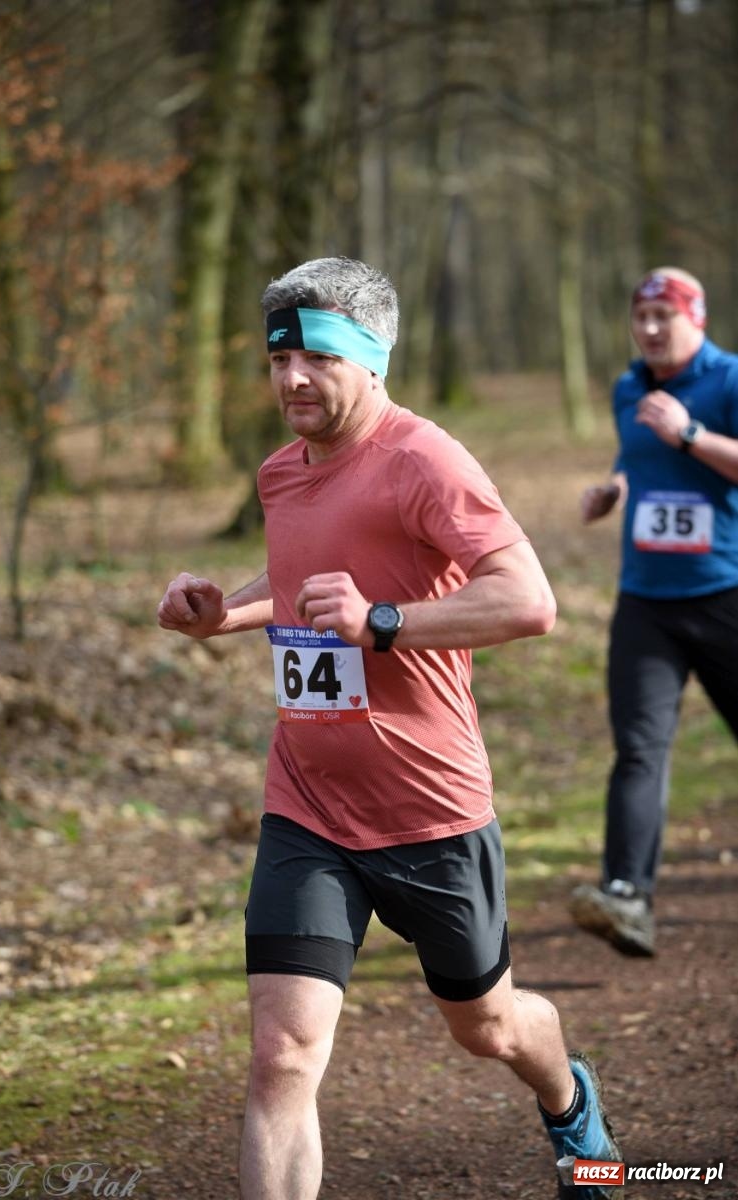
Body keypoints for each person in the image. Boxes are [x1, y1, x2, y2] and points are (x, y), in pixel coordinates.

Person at [157, 257, 620, 1200]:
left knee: (485, 1028)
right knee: (282, 1055)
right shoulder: (281, 473)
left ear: (370, 360)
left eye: (316, 359)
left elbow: (528, 602)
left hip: (430, 811)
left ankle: (569, 1099)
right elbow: (299, 584)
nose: (291, 380)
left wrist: (385, 620)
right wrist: (223, 615)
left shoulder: (424, 461)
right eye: (277, 358)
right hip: (308, 804)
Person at [569, 267, 738, 958]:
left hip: (724, 593)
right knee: (638, 750)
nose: (648, 330)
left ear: (694, 318)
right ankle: (626, 897)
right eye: (639, 318)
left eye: (662, 317)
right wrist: (613, 488)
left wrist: (690, 432)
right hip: (645, 603)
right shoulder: (626, 387)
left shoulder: (725, 381)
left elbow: (693, 450)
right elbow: (636, 458)